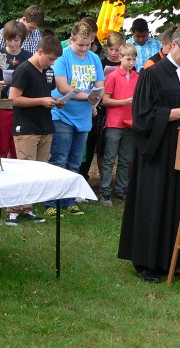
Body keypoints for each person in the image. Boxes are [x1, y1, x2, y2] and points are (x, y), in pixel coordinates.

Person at [117, 25, 180, 283]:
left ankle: (173, 259)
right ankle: (147, 261)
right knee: (155, 203)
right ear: (173, 45)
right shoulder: (152, 74)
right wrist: (176, 113)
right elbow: (142, 115)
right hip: (159, 149)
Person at [44, 21, 104, 217]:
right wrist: (88, 97)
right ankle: (51, 202)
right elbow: (62, 87)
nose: (84, 49)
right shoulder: (63, 57)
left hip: (84, 117)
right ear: (71, 39)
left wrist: (95, 98)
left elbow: (100, 84)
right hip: (62, 114)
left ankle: (68, 201)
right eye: (80, 45)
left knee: (75, 161)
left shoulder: (94, 58)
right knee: (59, 159)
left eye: (88, 44)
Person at [6, 35, 63, 225]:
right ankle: (12, 210)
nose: (52, 63)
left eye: (54, 60)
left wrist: (55, 102)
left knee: (37, 172)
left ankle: (27, 208)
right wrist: (41, 101)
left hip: (45, 126)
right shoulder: (23, 70)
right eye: (50, 59)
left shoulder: (48, 71)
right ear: (40, 51)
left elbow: (44, 94)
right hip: (26, 127)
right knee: (24, 171)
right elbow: (14, 99)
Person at [79, 31, 124, 180]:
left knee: (109, 148)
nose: (114, 53)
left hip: (118, 109)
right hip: (99, 110)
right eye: (111, 49)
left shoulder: (126, 64)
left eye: (117, 50)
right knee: (93, 144)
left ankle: (108, 180)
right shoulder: (100, 63)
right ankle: (86, 175)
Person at [98, 43, 138, 206]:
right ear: (120, 58)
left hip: (130, 123)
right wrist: (124, 102)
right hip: (114, 123)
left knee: (125, 159)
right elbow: (105, 100)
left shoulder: (137, 77)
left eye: (134, 59)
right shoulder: (113, 76)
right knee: (109, 158)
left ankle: (121, 189)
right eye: (128, 59)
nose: (131, 63)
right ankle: (105, 191)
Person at [0, 20, 32, 159]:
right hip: (1, 103)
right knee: (1, 142)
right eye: (9, 39)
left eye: (16, 40)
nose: (12, 44)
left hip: (20, 105)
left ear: (22, 39)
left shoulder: (28, 57)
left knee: (17, 145)